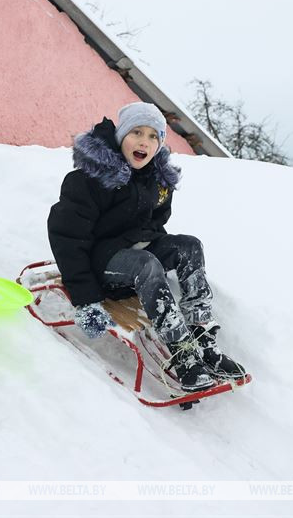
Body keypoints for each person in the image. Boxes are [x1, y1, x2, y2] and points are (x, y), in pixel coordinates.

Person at [47, 102, 246, 392]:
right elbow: (67, 237)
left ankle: (204, 339)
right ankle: (182, 353)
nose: (145, 141)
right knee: (146, 264)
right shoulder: (88, 180)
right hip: (99, 264)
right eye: (137, 132)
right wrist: (85, 299)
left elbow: (156, 222)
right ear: (120, 136)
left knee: (188, 246)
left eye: (154, 136)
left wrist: (147, 241)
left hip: (134, 256)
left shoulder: (156, 180)